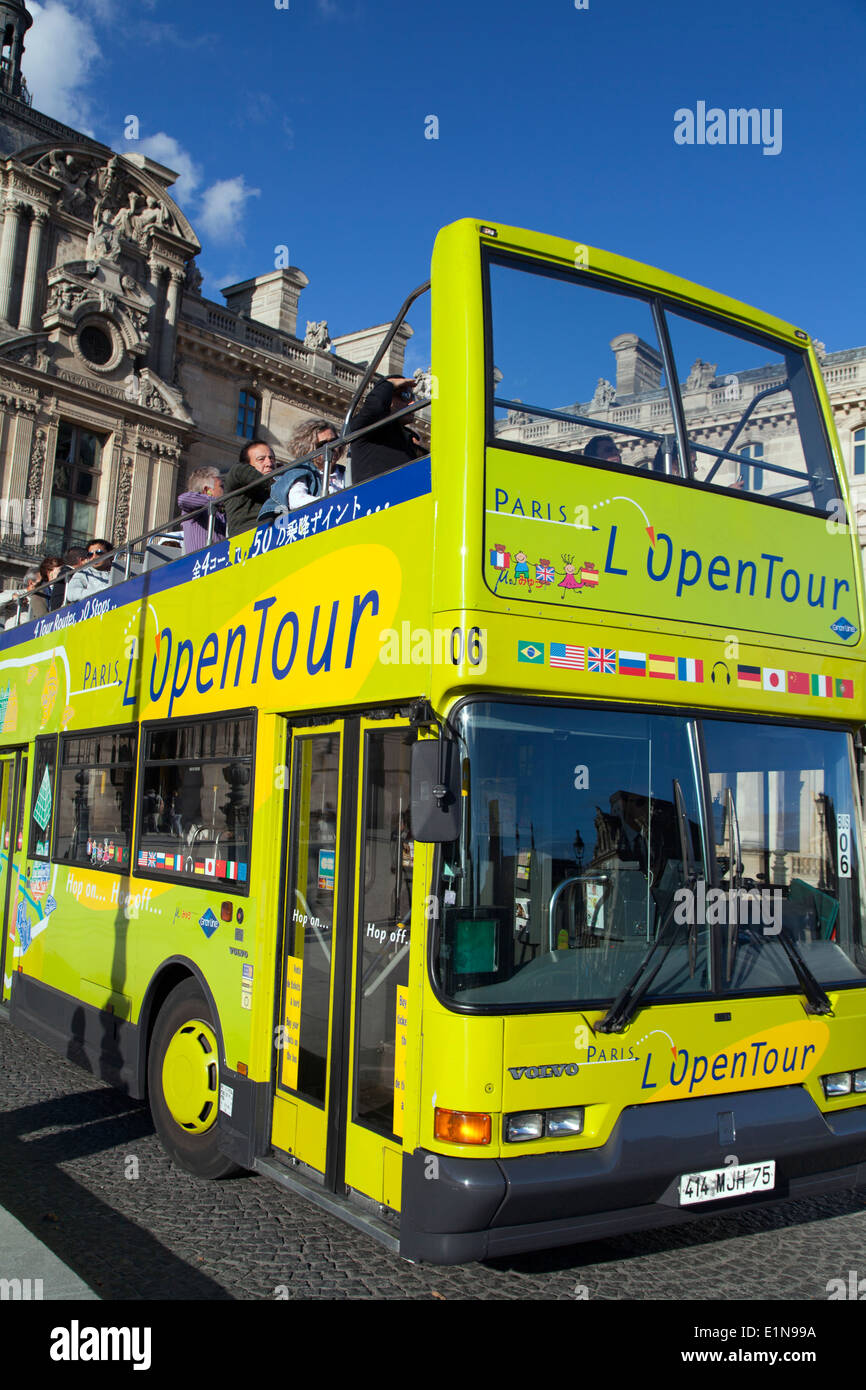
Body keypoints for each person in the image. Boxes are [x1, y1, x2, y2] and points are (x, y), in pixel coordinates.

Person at [256, 419, 346, 528]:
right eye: (322, 444)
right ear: (308, 448)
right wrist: (335, 502)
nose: (331, 448)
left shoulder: (345, 473)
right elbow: (296, 500)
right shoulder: (302, 470)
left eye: (334, 441)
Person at [349, 376, 425, 485]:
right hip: (377, 497)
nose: (412, 402)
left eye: (413, 397)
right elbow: (374, 408)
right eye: (405, 395)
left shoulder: (408, 437)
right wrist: (389, 383)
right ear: (387, 398)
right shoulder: (366, 426)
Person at [224, 441, 276, 538]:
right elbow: (241, 471)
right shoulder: (237, 472)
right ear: (247, 464)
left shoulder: (276, 484)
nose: (269, 463)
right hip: (247, 541)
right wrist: (283, 487)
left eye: (272, 458)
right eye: (261, 459)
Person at [177, 466, 226, 553]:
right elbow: (183, 499)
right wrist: (218, 502)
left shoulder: (221, 511)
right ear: (208, 490)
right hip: (200, 563)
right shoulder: (193, 509)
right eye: (221, 486)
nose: (224, 490)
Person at [65, 539, 115, 604]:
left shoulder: (124, 570)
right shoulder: (83, 573)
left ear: (111, 555)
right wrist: (102, 591)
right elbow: (71, 593)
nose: (94, 557)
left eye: (99, 553)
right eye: (90, 554)